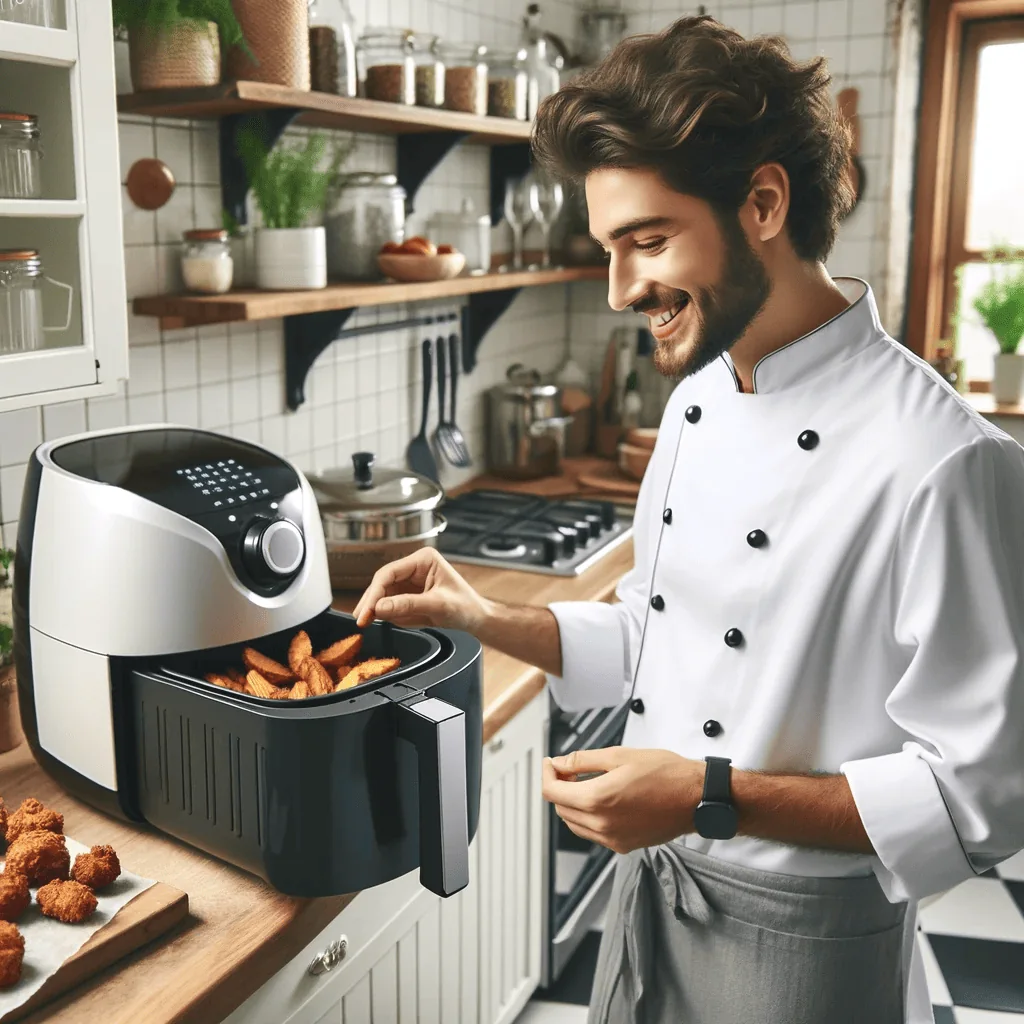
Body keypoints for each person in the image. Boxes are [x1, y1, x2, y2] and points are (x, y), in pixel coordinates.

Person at [354, 15, 1024, 1024]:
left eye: (648, 240)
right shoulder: (698, 398)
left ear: (762, 202)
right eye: (610, 246)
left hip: (804, 942)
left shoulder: (941, 458)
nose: (622, 288)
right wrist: (484, 615)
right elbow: (654, 633)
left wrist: (708, 792)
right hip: (656, 893)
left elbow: (978, 798)